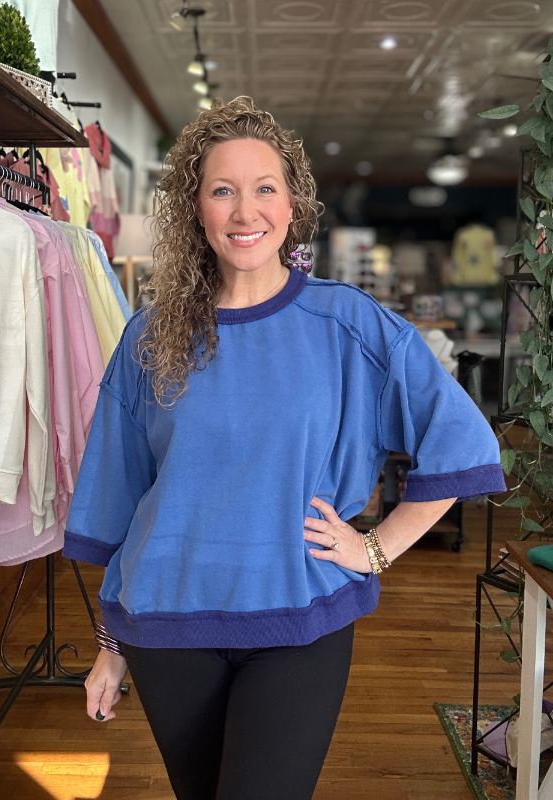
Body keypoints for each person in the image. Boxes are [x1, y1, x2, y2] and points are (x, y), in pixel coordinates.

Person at [62, 96, 507, 800]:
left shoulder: (348, 324)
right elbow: (122, 501)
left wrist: (377, 548)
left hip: (298, 620)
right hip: (167, 624)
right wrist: (110, 647)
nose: (246, 212)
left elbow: (462, 438)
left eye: (264, 188)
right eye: (223, 190)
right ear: (195, 208)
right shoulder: (149, 336)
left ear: (293, 203)